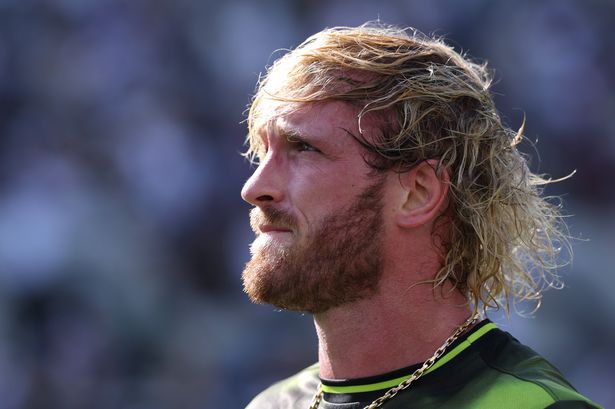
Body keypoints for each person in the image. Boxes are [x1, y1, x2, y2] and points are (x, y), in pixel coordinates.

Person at [240, 22, 601, 409]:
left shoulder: (535, 406)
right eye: (263, 151)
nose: (254, 187)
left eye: (303, 148)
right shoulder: (270, 404)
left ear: (418, 193)